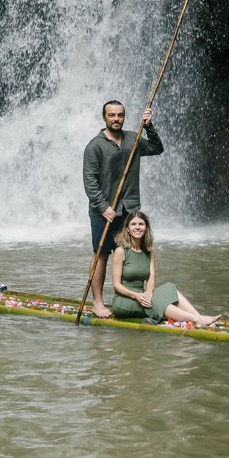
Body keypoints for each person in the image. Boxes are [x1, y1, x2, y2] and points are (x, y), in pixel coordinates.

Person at [85, 99, 162, 318]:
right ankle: (97, 303)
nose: (116, 119)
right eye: (112, 115)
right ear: (104, 117)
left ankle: (134, 298)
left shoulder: (133, 138)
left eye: (120, 115)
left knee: (130, 252)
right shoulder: (94, 146)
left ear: (124, 117)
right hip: (104, 211)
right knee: (101, 254)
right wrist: (103, 207)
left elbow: (157, 148)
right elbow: (90, 182)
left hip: (129, 208)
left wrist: (149, 126)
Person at [107, 212, 221, 326]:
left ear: (146, 228)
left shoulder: (149, 252)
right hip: (124, 300)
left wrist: (148, 292)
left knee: (170, 289)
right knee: (154, 303)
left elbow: (151, 279)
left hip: (143, 297)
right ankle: (196, 320)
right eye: (133, 224)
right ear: (127, 228)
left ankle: (199, 317)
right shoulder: (120, 251)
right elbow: (116, 285)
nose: (137, 227)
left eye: (141, 224)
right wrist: (135, 295)